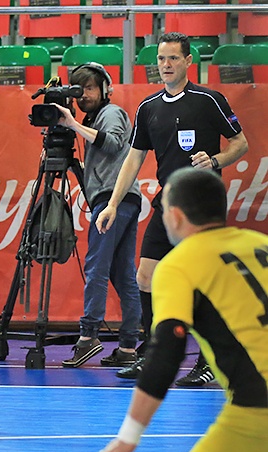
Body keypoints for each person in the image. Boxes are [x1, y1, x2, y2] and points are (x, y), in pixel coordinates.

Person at [88, 167, 267, 452]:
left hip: (258, 409)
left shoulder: (179, 264)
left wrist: (129, 436)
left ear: (177, 217)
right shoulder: (261, 245)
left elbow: (166, 354)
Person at [97, 32, 248, 386]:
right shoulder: (148, 108)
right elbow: (133, 159)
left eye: (173, 59)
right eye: (161, 59)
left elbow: (240, 144)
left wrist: (214, 159)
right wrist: (113, 204)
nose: (165, 65)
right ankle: (150, 357)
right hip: (168, 203)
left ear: (188, 61)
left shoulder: (209, 100)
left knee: (204, 285)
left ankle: (209, 361)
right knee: (145, 277)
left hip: (203, 205)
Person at [54, 63, 142, 369]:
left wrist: (74, 125)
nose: (85, 95)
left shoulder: (111, 112)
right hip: (123, 198)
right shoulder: (95, 117)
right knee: (122, 274)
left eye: (91, 88)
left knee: (96, 267)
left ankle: (88, 337)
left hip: (113, 198)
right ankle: (129, 347)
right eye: (80, 90)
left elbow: (114, 142)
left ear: (105, 89)